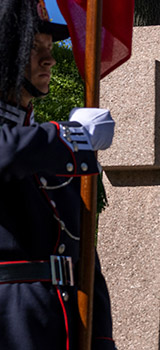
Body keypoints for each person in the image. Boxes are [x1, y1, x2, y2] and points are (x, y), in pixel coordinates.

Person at [0, 0, 116, 349]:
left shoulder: (46, 145)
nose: (49, 59)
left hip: (60, 322)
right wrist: (71, 135)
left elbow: (83, 255)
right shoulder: (50, 143)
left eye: (49, 48)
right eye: (34, 47)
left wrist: (101, 338)